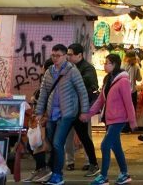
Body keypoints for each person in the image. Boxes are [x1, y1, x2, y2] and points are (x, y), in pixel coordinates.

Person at [34, 44, 91, 185]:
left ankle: (58, 175)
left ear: (65, 56)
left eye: (58, 55)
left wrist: (84, 111)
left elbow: (82, 92)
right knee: (52, 144)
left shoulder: (73, 71)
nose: (55, 58)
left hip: (67, 114)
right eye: (53, 55)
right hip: (51, 114)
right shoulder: (49, 72)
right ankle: (52, 172)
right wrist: (39, 112)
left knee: (58, 143)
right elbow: (43, 94)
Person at [80, 53, 138, 185]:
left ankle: (103, 176)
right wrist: (88, 114)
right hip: (110, 119)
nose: (104, 65)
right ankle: (124, 174)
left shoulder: (123, 81)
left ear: (115, 64)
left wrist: (132, 120)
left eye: (107, 63)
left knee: (105, 145)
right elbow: (100, 100)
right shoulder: (108, 79)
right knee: (116, 147)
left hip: (119, 119)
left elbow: (128, 102)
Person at [64, 44, 100, 175]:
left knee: (85, 136)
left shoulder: (88, 68)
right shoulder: (68, 67)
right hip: (69, 107)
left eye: (71, 54)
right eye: (67, 54)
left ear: (80, 55)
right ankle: (69, 161)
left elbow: (90, 85)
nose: (68, 57)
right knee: (68, 135)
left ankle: (89, 162)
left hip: (82, 109)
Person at [122, 51, 142, 130]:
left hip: (123, 90)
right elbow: (139, 78)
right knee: (131, 109)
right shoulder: (136, 66)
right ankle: (131, 127)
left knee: (124, 109)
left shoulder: (122, 65)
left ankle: (124, 127)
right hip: (132, 91)